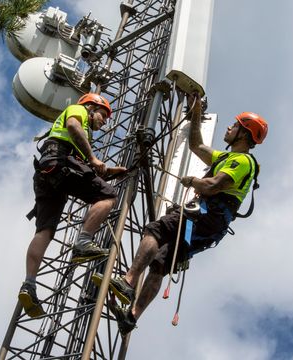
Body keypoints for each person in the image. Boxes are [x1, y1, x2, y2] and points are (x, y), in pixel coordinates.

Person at [92, 94, 268, 334]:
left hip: (207, 215)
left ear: (245, 133)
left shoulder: (242, 161)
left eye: (235, 125)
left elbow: (213, 186)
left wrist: (193, 180)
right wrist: (196, 113)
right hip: (210, 224)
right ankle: (131, 317)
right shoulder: (226, 157)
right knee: (161, 263)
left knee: (157, 229)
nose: (229, 127)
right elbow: (196, 145)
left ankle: (128, 281)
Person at [19, 93, 127, 318]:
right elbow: (73, 127)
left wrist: (107, 171)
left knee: (45, 230)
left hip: (47, 171)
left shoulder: (74, 134)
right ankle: (83, 243)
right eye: (103, 115)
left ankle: (28, 284)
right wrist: (95, 160)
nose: (104, 122)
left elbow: (85, 172)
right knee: (108, 196)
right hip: (61, 162)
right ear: (91, 106)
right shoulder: (78, 111)